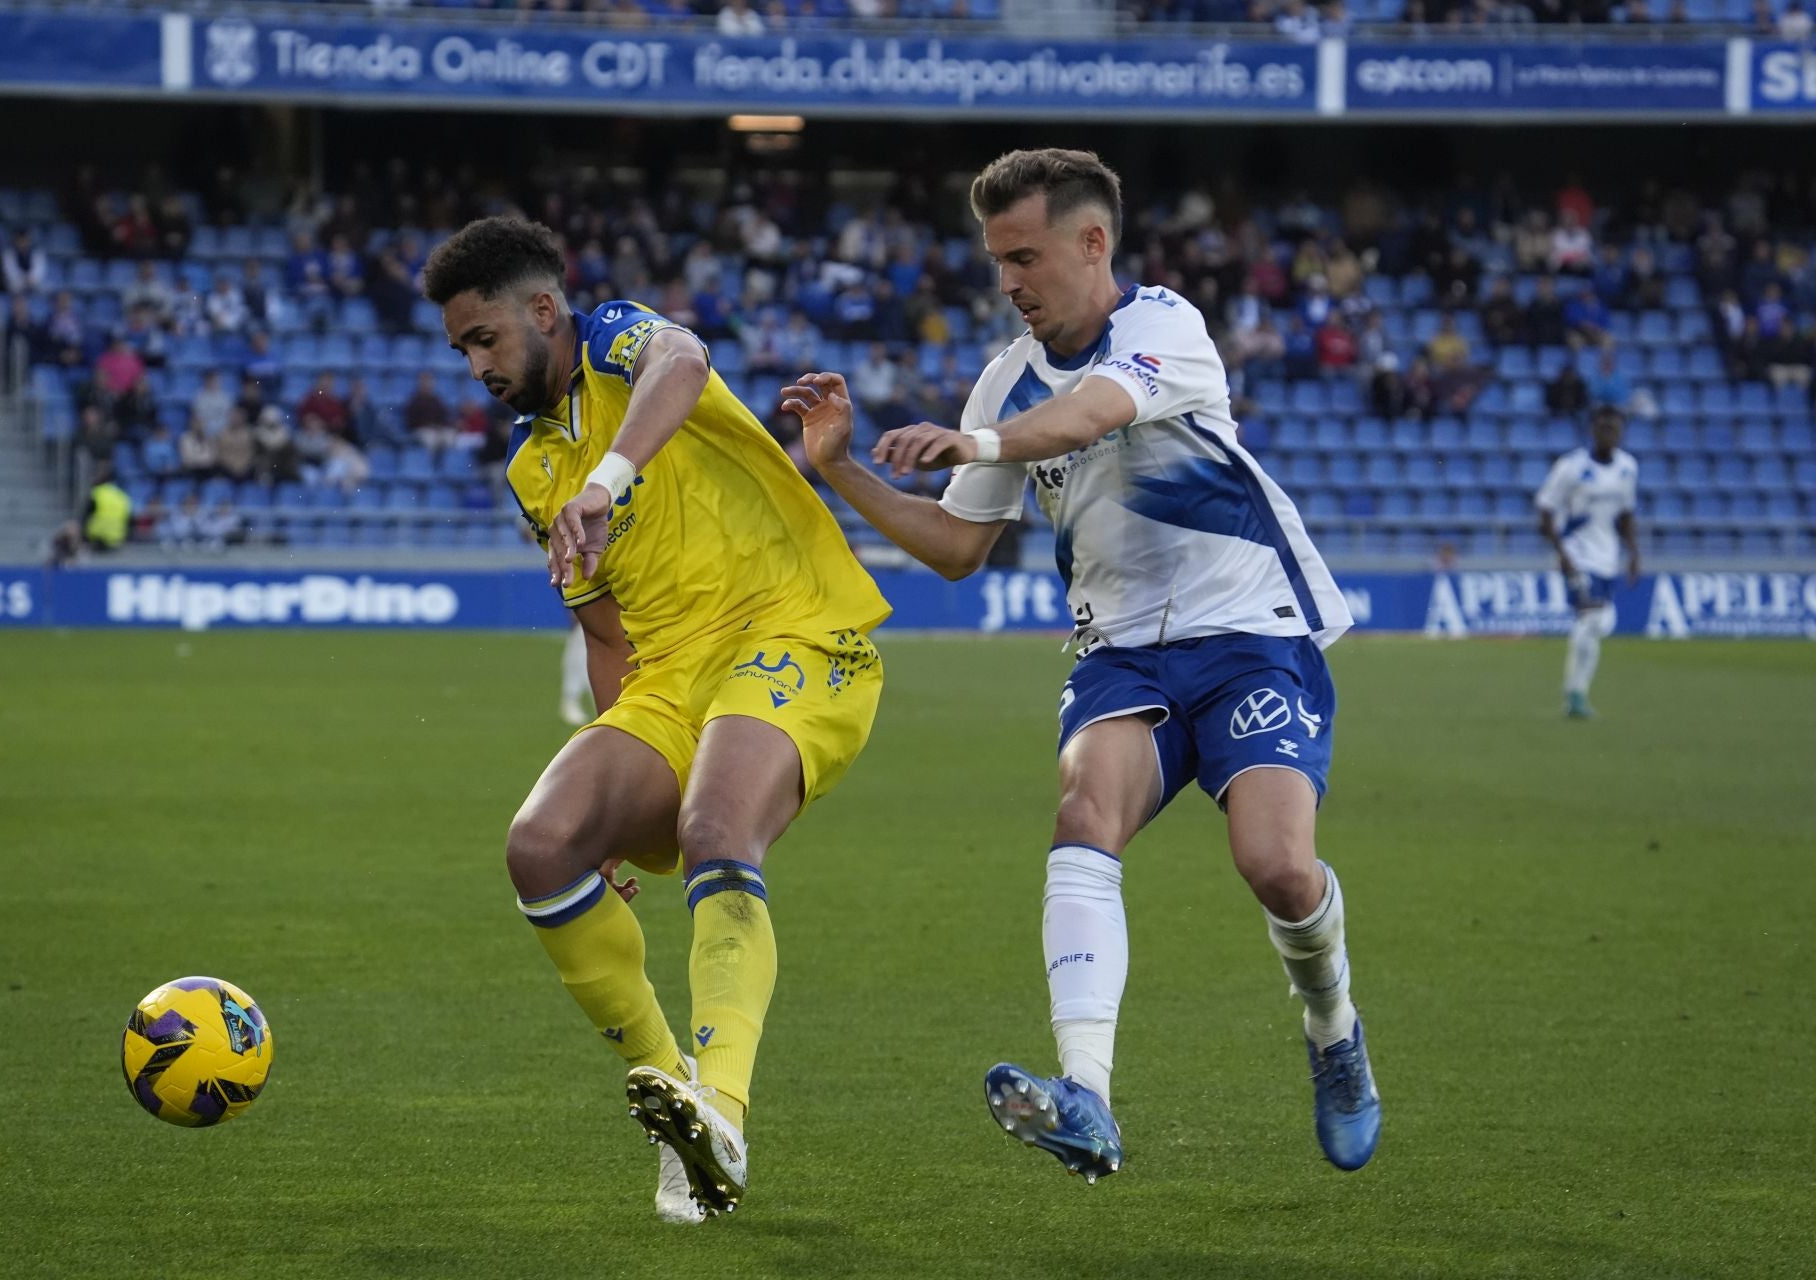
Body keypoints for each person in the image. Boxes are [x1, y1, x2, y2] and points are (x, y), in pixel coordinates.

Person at [786, 148, 1379, 1181]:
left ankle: (1333, 1028)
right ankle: (1089, 1096)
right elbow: (960, 549)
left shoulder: (1165, 328)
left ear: (1091, 242)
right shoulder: (1003, 382)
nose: (1008, 282)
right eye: (996, 261)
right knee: (1083, 814)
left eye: (1025, 256)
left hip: (1248, 636)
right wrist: (838, 468)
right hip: (1120, 655)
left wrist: (978, 447)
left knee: (1278, 865)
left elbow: (1098, 410)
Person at [423, 216, 891, 1222]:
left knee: (718, 830)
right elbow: (603, 634)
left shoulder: (618, 343)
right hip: (671, 679)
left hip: (796, 631)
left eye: (484, 338)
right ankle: (672, 1091)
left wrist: (606, 481)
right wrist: (615, 774)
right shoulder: (529, 471)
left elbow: (686, 358)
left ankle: (721, 1107)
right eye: (460, 347)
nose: (473, 364)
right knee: (543, 845)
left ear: (542, 310)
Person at [1535, 406, 1639, 720]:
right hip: (1578, 555)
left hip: (1608, 558)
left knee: (1597, 624)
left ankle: (1575, 694)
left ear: (1621, 432)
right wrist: (1562, 554)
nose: (1609, 432)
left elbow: (1625, 514)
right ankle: (1577, 695)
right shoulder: (1571, 467)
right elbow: (1545, 512)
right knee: (1592, 619)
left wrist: (1634, 552)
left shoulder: (1627, 468)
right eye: (1603, 427)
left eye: (1614, 427)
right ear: (1592, 429)